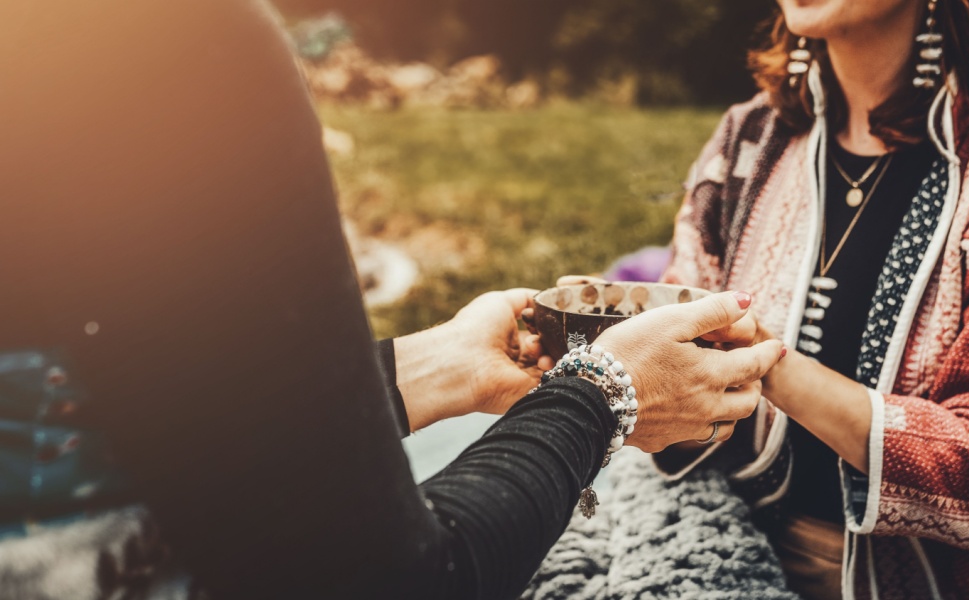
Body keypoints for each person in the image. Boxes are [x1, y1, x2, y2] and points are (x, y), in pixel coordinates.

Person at [0, 0, 785, 598]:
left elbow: (171, 418)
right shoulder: (169, 47)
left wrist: (434, 365)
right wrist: (603, 394)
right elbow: (387, 583)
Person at [654, 0, 969, 598]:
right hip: (738, 548)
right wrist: (627, 370)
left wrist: (769, 364)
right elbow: (684, 400)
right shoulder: (749, 139)